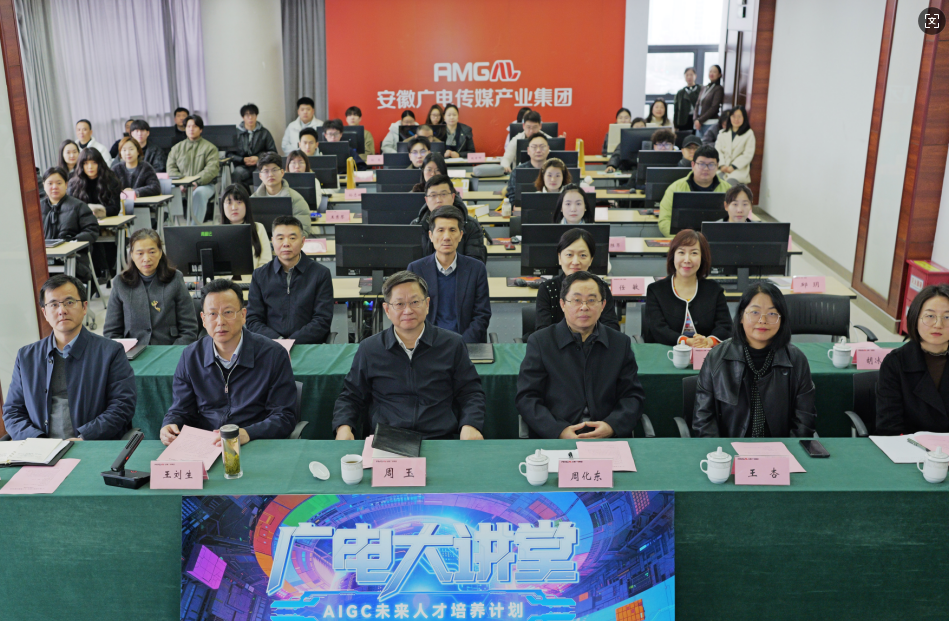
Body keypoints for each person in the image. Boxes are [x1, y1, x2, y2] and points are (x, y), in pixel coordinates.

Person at [332, 271, 486, 440]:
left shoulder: (452, 344)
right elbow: (351, 396)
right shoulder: (370, 349)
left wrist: (470, 425)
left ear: (427, 304)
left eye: (415, 302)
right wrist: (343, 428)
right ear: (387, 310)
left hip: (439, 437)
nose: (408, 310)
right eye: (399, 304)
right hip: (388, 439)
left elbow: (470, 393)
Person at [160, 279, 297, 446]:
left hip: (254, 443)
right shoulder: (191, 356)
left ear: (243, 315)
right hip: (208, 445)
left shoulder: (273, 355)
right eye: (212, 314)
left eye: (228, 312)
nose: (220, 322)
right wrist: (170, 424)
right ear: (203, 319)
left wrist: (248, 433)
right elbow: (180, 409)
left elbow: (284, 417)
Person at [2, 274, 136, 440]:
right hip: (40, 449)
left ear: (84, 307)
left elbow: (122, 405)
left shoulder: (110, 352)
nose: (62, 311)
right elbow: (13, 411)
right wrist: (37, 441)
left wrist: (84, 437)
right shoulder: (26, 357)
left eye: (69, 302)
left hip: (89, 445)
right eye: (54, 304)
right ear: (44, 313)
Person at [516, 270, 645, 439]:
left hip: (607, 438)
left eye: (591, 300)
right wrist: (559, 431)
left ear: (603, 305)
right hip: (557, 438)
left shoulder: (620, 343)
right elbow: (527, 398)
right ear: (563, 304)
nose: (584, 307)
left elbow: (632, 396)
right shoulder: (541, 342)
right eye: (576, 300)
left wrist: (611, 426)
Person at [692, 282, 817, 438]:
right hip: (728, 450)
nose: (762, 320)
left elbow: (804, 421)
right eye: (755, 312)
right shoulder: (716, 358)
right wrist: (719, 451)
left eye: (772, 314)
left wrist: (789, 450)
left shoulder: (796, 361)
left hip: (780, 450)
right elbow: (703, 419)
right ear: (741, 317)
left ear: (782, 319)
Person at [406, 206, 491, 343]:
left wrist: (461, 344)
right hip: (428, 344)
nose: (446, 237)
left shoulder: (476, 269)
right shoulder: (416, 269)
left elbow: (482, 315)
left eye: (452, 230)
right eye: (440, 230)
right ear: (431, 236)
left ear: (461, 235)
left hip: (465, 344)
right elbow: (411, 313)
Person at [103, 228, 198, 346]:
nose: (146, 259)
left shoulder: (175, 278)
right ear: (132, 255)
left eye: (152, 252)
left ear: (160, 253)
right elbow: (111, 333)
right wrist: (124, 353)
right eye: (140, 253)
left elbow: (189, 329)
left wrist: (173, 353)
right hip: (133, 352)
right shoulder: (120, 283)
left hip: (169, 349)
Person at [246, 215, 333, 344]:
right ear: (272, 241)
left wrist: (292, 342)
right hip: (270, 346)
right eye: (280, 238)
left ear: (303, 241)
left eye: (292, 238)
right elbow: (253, 320)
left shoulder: (320, 274)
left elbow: (322, 319)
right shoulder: (260, 275)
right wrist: (279, 341)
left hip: (307, 345)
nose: (286, 243)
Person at [876, 284, 949, 435]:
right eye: (930, 316)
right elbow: (889, 426)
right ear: (915, 318)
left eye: (947, 317)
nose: (938, 324)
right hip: (908, 445)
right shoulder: (895, 363)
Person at [643, 229, 731, 346]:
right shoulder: (656, 290)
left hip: (706, 353)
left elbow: (725, 326)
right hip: (667, 352)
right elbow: (658, 329)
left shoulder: (714, 289)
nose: (687, 260)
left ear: (702, 257)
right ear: (673, 256)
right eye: (681, 252)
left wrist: (708, 341)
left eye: (694, 253)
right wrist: (686, 341)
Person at [535, 228, 620, 331]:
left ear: (591, 259)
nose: (575, 262)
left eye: (583, 255)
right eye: (569, 255)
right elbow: (542, 331)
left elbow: (612, 328)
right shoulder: (547, 289)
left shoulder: (601, 288)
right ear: (560, 258)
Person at [412, 174, 487, 263]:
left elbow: (475, 265)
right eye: (433, 195)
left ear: (453, 197)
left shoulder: (470, 225)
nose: (438, 200)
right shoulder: (416, 226)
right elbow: (410, 263)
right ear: (426, 200)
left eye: (443, 194)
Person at [658, 145, 729, 236]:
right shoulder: (675, 188)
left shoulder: (728, 190)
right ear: (693, 165)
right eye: (701, 164)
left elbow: (736, 221)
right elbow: (664, 220)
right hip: (684, 241)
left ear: (717, 166)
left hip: (716, 240)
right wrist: (684, 240)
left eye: (711, 164)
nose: (706, 169)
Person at [41, 168, 97, 282]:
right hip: (43, 258)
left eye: (59, 183)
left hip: (73, 257)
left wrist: (72, 242)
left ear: (66, 184)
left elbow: (91, 230)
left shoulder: (79, 206)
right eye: (50, 183)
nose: (54, 187)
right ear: (43, 185)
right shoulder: (36, 208)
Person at [166, 114, 220, 224]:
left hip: (204, 185)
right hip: (181, 185)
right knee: (168, 190)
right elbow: (171, 168)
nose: (191, 129)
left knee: (199, 193)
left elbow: (211, 169)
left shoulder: (210, 148)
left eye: (195, 126)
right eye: (188, 126)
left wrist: (196, 182)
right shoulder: (176, 148)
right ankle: (173, 226)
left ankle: (194, 227)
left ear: (201, 129)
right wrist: (181, 183)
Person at [251, 152, 313, 236]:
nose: (270, 175)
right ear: (260, 176)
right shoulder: (253, 200)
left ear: (282, 172)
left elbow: (304, 230)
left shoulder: (296, 199)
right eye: (266, 171)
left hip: (288, 242)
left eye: (274, 170)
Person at [218, 184, 272, 268]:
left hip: (254, 276)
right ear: (222, 206)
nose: (234, 207)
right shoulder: (217, 232)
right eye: (229, 203)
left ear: (247, 205)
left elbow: (266, 263)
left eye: (239, 202)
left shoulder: (258, 228)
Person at [227, 103, 277, 190]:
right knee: (236, 174)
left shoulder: (264, 132)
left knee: (262, 174)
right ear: (243, 117)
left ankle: (260, 197)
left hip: (260, 165)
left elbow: (273, 152)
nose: (250, 117)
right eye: (247, 115)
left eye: (252, 114)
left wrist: (259, 158)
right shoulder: (236, 134)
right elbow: (229, 154)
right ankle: (243, 196)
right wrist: (242, 159)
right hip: (242, 166)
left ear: (256, 116)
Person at [68, 147, 122, 218]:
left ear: (100, 164)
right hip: (83, 221)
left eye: (94, 162)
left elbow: (115, 208)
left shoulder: (111, 181)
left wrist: (98, 211)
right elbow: (72, 208)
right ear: (81, 165)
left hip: (106, 221)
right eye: (86, 163)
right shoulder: (74, 184)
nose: (90, 167)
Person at [715, 105, 756, 184]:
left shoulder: (749, 134)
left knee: (730, 185)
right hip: (722, 168)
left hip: (738, 170)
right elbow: (718, 151)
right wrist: (722, 165)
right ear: (730, 117)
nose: (736, 119)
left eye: (739, 117)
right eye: (733, 116)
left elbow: (748, 154)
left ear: (744, 118)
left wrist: (733, 166)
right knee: (717, 183)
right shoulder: (722, 133)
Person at [506, 133, 550, 198]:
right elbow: (513, 198)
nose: (538, 150)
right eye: (534, 147)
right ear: (528, 150)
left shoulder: (557, 170)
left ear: (548, 149)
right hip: (523, 205)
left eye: (542, 146)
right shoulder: (517, 172)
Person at [693, 65, 724, 136]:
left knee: (707, 142)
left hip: (710, 123)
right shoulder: (704, 87)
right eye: (710, 71)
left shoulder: (718, 89)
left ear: (719, 75)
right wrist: (695, 120)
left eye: (714, 72)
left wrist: (699, 120)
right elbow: (697, 104)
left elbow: (714, 107)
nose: (711, 73)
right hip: (699, 123)